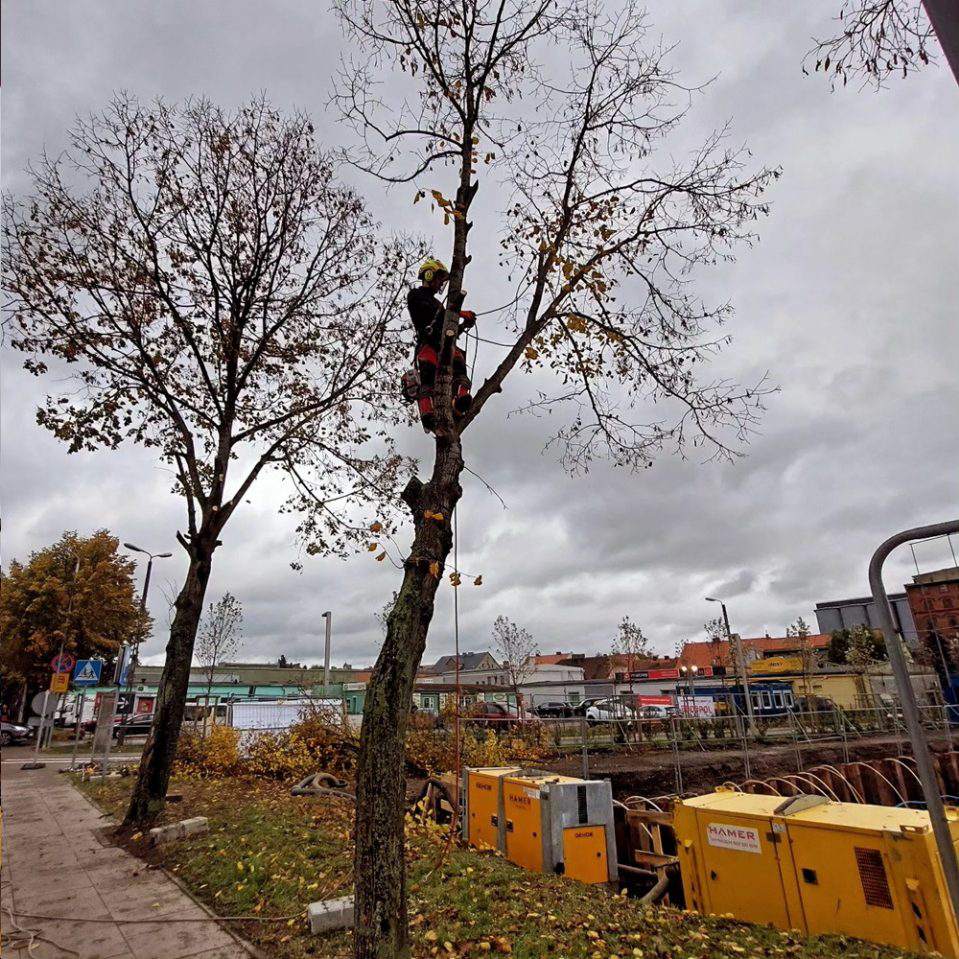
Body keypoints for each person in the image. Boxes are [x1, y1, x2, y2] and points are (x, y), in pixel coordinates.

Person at [407, 257, 476, 432]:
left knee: (459, 365)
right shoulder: (416, 295)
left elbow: (448, 328)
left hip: (444, 343)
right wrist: (457, 311)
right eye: (438, 279)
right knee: (428, 376)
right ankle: (428, 414)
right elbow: (431, 312)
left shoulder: (438, 304)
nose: (440, 284)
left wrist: (461, 326)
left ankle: (459, 402)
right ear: (428, 275)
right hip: (428, 343)